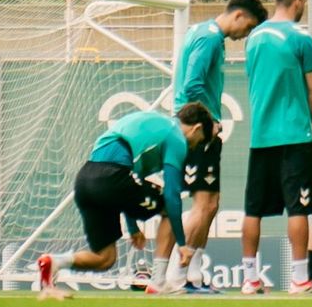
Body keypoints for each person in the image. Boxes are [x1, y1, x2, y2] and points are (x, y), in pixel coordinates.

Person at [156, 0, 267, 291]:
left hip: (197, 130)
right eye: (248, 27)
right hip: (196, 132)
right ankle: (176, 277)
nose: (246, 34)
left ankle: (192, 275)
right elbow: (191, 85)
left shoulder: (204, 33)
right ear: (238, 15)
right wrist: (207, 122)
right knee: (203, 205)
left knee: (211, 204)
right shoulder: (208, 38)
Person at [37, 104, 214, 291]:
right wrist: (182, 244)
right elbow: (171, 196)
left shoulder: (155, 126)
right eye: (198, 142)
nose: (193, 147)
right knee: (168, 209)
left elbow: (129, 180)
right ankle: (158, 282)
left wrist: (133, 228)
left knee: (105, 258)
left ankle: (54, 262)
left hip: (85, 181)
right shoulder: (176, 136)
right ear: (197, 128)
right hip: (111, 179)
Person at [240, 0, 312, 296]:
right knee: (299, 208)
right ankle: (299, 278)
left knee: (253, 210)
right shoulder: (301, 40)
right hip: (294, 136)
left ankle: (250, 278)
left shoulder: (254, 38)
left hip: (260, 136)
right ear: (299, 0)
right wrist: (305, 118)